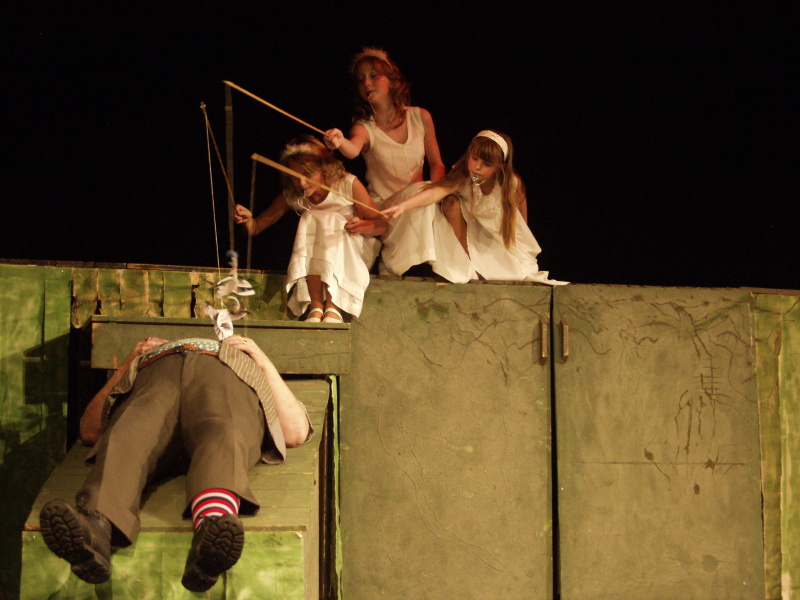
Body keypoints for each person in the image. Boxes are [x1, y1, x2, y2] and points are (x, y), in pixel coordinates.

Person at [39, 334, 313, 592]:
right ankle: (94, 530)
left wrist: (261, 361)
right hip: (157, 371)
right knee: (129, 432)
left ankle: (211, 532)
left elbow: (296, 432)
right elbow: (90, 430)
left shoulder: (245, 360)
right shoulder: (145, 359)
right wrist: (128, 365)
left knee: (223, 429)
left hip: (224, 370)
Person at [234, 136, 386, 323]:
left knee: (326, 218)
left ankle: (333, 306)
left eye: (308, 175)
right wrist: (247, 220)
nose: (302, 183)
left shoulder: (347, 183)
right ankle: (316, 306)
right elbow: (255, 228)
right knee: (311, 217)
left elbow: (382, 225)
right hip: (318, 258)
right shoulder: (293, 194)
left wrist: (363, 226)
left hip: (353, 252)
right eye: (295, 176)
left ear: (323, 169)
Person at [382, 130, 566, 285]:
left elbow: (521, 219)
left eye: (486, 164)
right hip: (471, 233)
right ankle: (468, 264)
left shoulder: (511, 183)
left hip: (499, 237)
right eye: (474, 158)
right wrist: (403, 206)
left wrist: (521, 247)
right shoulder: (463, 177)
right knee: (449, 201)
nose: (477, 167)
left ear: (498, 167)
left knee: (518, 271)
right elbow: (434, 192)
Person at [324, 47, 446, 276]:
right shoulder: (364, 127)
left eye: (374, 75)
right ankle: (407, 265)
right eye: (361, 80)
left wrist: (436, 193)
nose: (367, 83)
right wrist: (338, 141)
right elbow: (352, 150)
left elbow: (437, 164)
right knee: (421, 194)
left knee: (427, 196)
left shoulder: (420, 117)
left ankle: (408, 266)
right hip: (385, 213)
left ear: (392, 80)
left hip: (418, 206)